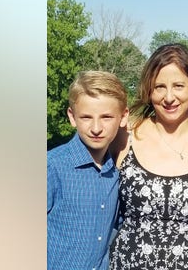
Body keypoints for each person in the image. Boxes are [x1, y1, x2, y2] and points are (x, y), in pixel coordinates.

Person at [109, 43, 188, 269]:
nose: (169, 97)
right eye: (159, 87)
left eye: (178, 85)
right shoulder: (125, 135)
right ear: (149, 91)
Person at [47, 71, 129, 270]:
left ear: (123, 116)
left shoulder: (117, 172)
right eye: (86, 117)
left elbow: (130, 218)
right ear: (72, 117)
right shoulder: (52, 167)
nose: (96, 128)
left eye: (106, 117)